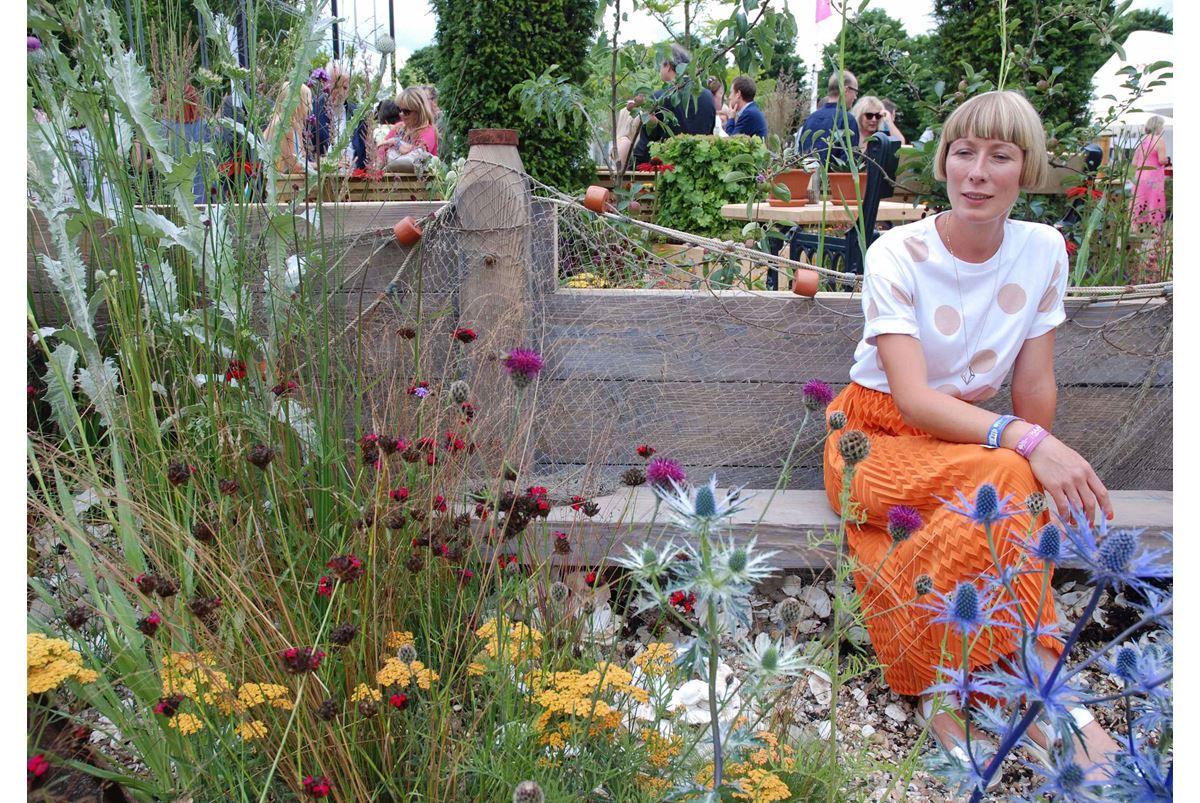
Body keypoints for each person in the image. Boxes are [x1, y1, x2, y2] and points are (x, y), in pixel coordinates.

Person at [822, 90, 1121, 783]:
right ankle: (1019, 694)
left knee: (1010, 483)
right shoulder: (900, 251)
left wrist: (1037, 449)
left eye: (1000, 155)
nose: (977, 172)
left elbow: (1035, 379)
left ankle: (998, 686)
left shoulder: (1043, 250)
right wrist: (1023, 442)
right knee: (1005, 475)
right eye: (963, 152)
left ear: (1028, 170)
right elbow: (914, 397)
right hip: (871, 439)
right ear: (944, 162)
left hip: (966, 444)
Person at [631, 44, 717, 165]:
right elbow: (710, 135)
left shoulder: (659, 98)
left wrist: (631, 168)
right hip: (699, 168)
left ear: (668, 66)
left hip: (667, 170)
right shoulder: (708, 97)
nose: (660, 70)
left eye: (661, 66)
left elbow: (646, 144)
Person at [308, 62, 368, 171]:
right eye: (336, 86)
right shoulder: (311, 111)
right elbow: (304, 157)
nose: (340, 93)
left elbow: (365, 155)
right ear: (325, 84)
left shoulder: (358, 114)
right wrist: (330, 163)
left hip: (355, 181)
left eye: (344, 88)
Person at [795, 70, 859, 167]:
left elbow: (802, 156)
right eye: (855, 92)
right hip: (835, 181)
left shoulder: (811, 119)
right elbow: (848, 164)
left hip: (808, 179)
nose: (855, 97)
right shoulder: (847, 120)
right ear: (846, 90)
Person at [379, 87, 438, 170]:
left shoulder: (428, 131)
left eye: (406, 112)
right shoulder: (398, 127)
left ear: (419, 111)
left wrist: (396, 142)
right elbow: (380, 152)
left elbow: (418, 158)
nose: (401, 114)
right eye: (399, 110)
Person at [263, 80, 313, 175]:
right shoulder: (283, 126)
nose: (308, 109)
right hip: (278, 186)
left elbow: (303, 160)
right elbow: (295, 166)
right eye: (307, 103)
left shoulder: (293, 125)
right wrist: (323, 164)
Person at [723, 75, 768, 140]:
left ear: (738, 94)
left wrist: (731, 118)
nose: (729, 97)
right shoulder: (752, 110)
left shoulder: (749, 114)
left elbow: (731, 141)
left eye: (731, 92)